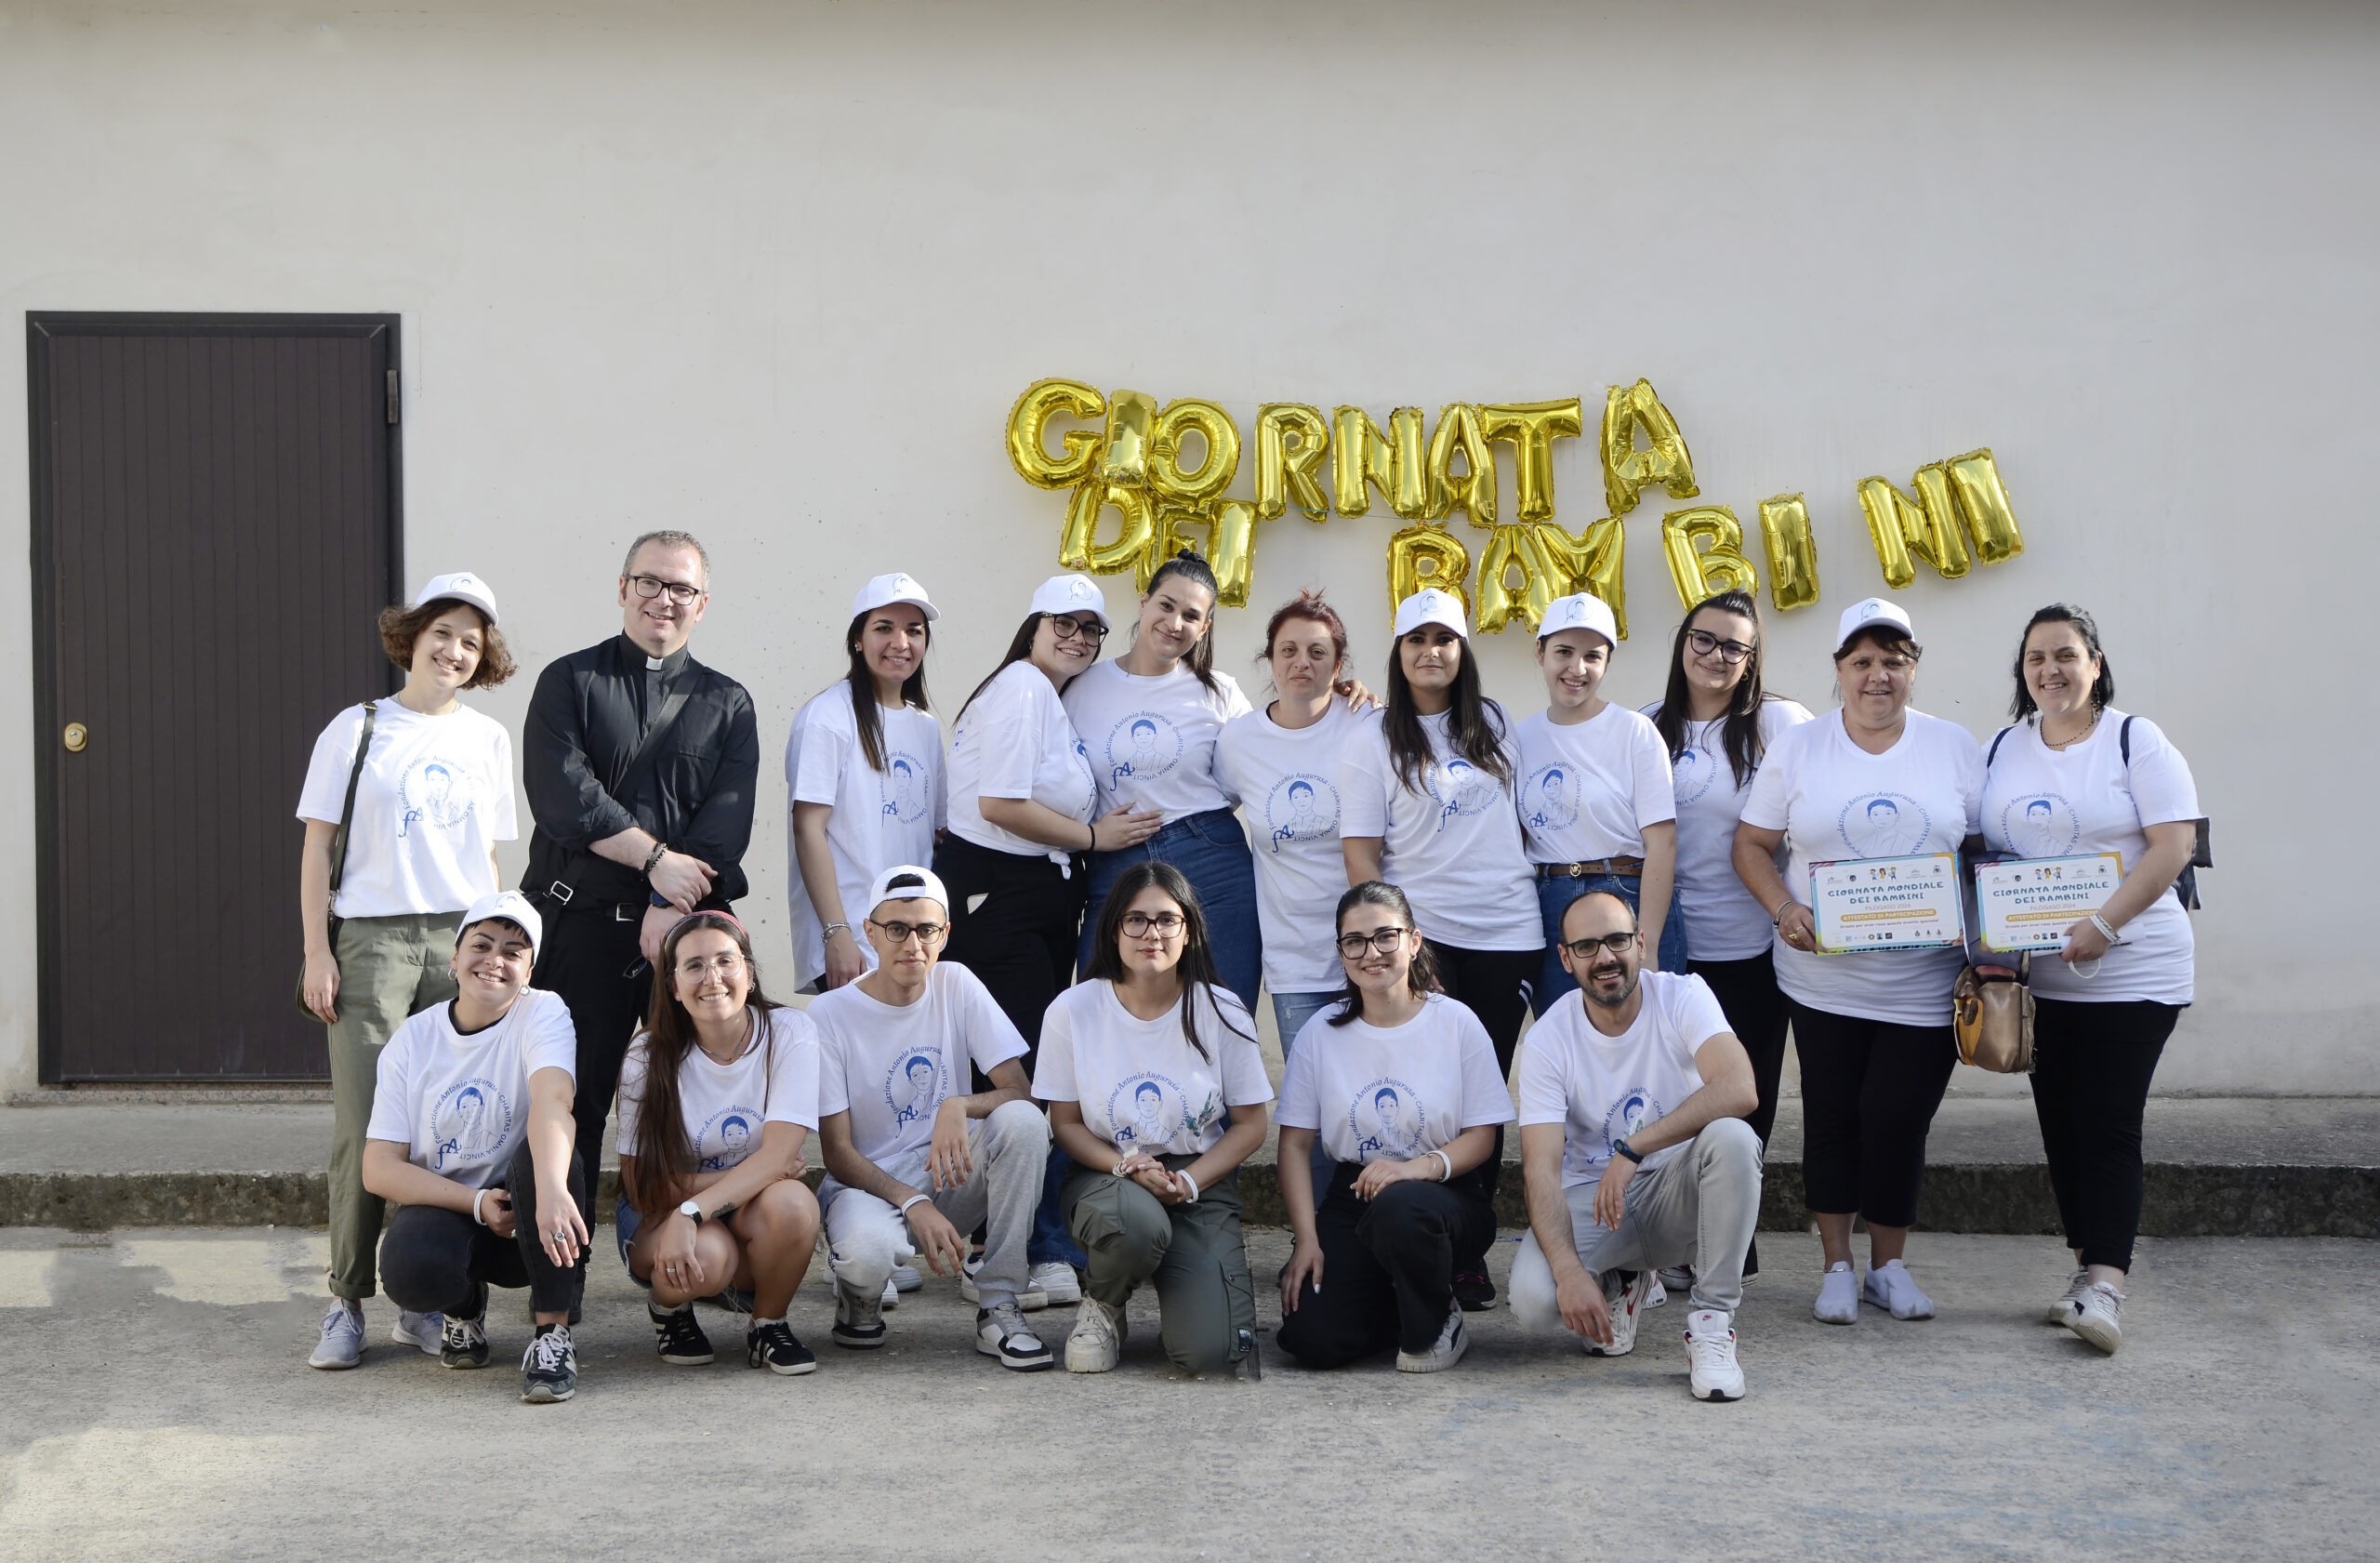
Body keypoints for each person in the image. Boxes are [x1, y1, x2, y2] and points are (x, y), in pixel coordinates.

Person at [1734, 597, 1983, 1325]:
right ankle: (1838, 1264)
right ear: (1839, 670)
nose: (1878, 676)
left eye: (1893, 661)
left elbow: (1982, 851)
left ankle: (1890, 1264)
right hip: (1821, 979)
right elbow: (1751, 845)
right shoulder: (1800, 746)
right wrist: (1786, 908)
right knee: (1834, 1116)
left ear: (1914, 669)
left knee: (1899, 1117)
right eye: (1862, 662)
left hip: (1925, 980)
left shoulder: (1953, 746)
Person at [296, 571, 519, 1370]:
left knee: (452, 1128)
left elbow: (489, 857)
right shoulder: (357, 728)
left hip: (463, 941)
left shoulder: (487, 739)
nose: (455, 650)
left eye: (472, 639)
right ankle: (346, 1300)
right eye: (444, 631)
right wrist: (320, 952)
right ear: (411, 634)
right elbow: (318, 846)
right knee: (366, 1126)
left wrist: (496, 949)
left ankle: (430, 1303)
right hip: (372, 942)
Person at [520, 530, 760, 1210]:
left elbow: (725, 827)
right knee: (573, 1102)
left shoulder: (730, 703)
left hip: (684, 936)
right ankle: (556, 1301)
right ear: (622, 588)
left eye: (681, 587)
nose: (664, 599)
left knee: (698, 1100)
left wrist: (669, 905)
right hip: (582, 927)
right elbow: (567, 798)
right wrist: (656, 863)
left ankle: (687, 1273)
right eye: (649, 582)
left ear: (702, 603)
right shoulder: (570, 681)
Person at [1982, 604, 2199, 1355]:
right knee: (2062, 1127)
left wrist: (2102, 926)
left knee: (2107, 1123)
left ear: (2096, 663)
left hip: (2135, 968)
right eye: (2036, 657)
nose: (2050, 669)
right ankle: (2083, 1272)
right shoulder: (2003, 747)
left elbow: (2173, 846)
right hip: (2047, 981)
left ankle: (2106, 1285)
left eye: (2066, 655)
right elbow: (1981, 848)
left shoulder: (2136, 740)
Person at [938, 573, 1160, 1306]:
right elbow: (1000, 804)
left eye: (1091, 629)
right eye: (1063, 623)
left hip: (1028, 900)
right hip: (1002, 898)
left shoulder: (1043, 698)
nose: (1077, 637)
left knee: (1019, 1074)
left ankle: (997, 1241)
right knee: (1017, 1080)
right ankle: (1015, 1252)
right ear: (1032, 626)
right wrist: (1097, 835)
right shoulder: (1024, 688)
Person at [1340, 587, 1539, 1310]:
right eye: (1416, 639)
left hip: (1508, 933)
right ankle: (1417, 1233)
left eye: (1445, 639)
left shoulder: (1491, 721)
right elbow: (1361, 852)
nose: (1431, 651)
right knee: (1431, 1090)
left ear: (1463, 651)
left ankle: (1466, 1251)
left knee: (1477, 1094)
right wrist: (1390, 940)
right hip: (1426, 937)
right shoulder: (1371, 737)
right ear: (1398, 652)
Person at [1509, 892, 1762, 1401]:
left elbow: (1739, 1088)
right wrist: (1568, 1273)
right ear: (1565, 958)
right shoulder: (1548, 1040)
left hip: (1678, 1192)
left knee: (1733, 1137)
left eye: (1617, 940)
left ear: (1641, 944)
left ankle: (1712, 1325)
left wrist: (1633, 1150)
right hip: (1597, 1203)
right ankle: (1622, 1282)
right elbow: (1539, 1168)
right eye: (1586, 946)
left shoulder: (1682, 995)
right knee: (1536, 1303)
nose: (1605, 957)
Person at [810, 867, 1058, 1371]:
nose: (912, 944)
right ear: (870, 932)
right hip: (870, 1186)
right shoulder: (829, 1014)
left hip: (951, 1169)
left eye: (927, 929)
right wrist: (913, 1201)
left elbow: (1022, 1094)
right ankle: (858, 1294)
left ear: (945, 934)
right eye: (897, 928)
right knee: (866, 1255)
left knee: (1025, 1126)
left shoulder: (957, 983)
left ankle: (999, 1303)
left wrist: (959, 1105)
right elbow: (836, 1152)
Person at [1035, 863, 1271, 1377]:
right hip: (1107, 1172)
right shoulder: (1073, 1010)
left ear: (1189, 931)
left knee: (1210, 1354)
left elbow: (1252, 1125)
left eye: (1167, 920)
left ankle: (1183, 1270)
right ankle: (1103, 1304)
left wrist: (1187, 1180)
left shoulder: (1223, 1009)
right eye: (1135, 920)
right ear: (1113, 929)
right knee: (1137, 1227)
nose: (1151, 934)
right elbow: (1067, 1124)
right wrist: (1126, 1166)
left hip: (1197, 1177)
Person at [1274, 882, 1515, 1373]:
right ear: (1341, 952)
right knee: (1312, 1341)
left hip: (1445, 1195)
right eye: (1355, 941)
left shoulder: (1456, 1023)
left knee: (1401, 1206)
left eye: (1386, 936)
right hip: (1353, 1195)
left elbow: (1482, 1138)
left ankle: (1438, 1319)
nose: (1371, 953)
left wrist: (1414, 1171)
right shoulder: (1321, 1033)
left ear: (1414, 941)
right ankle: (1396, 1304)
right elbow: (1295, 1147)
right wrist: (1307, 1240)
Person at [1643, 589, 1813, 1276]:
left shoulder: (1782, 723)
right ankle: (1678, 1236)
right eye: (1704, 640)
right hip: (1675, 948)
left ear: (1752, 659)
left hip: (1753, 947)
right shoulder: (1648, 727)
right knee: (1677, 1096)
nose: (1716, 656)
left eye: (1734, 646)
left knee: (1747, 1097)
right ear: (1684, 642)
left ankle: (1728, 1239)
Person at [363, 893, 588, 1404]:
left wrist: (551, 1190)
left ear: (529, 970)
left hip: (528, 1211)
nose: (495, 960)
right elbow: (378, 1167)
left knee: (553, 1158)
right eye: (481, 945)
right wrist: (476, 1204)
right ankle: (463, 1312)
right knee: (409, 1266)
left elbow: (554, 1100)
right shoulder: (413, 1040)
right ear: (455, 959)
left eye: (514, 951)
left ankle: (553, 1334)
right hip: (455, 1208)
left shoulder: (543, 1012)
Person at [617, 910, 825, 1375]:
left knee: (793, 1203)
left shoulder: (790, 1031)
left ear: (748, 974)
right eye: (693, 966)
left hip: (716, 1208)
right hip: (659, 1212)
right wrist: (750, 1178)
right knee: (710, 1258)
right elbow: (642, 1184)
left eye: (725, 962)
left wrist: (696, 1208)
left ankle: (768, 1325)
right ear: (673, 986)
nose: (712, 978)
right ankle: (669, 1310)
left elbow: (782, 1157)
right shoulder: (646, 1056)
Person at [1062, 550, 1262, 1009]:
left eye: (1191, 615)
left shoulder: (1220, 691)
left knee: (1224, 1006)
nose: (1175, 623)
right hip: (1115, 858)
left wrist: (1337, 697)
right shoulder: (1084, 685)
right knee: (1101, 1001)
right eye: (1166, 606)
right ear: (1144, 601)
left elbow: (1265, 755)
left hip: (1210, 854)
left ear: (1205, 626)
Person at [1214, 590, 1363, 1199]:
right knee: (1314, 1103)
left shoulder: (1368, 724)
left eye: (1318, 651)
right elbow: (1211, 819)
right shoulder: (1238, 741)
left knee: (1369, 1093)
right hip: (1294, 954)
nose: (1302, 662)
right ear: (1270, 660)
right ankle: (1323, 1234)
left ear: (1339, 662)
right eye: (1289, 650)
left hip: (1370, 948)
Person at [1515, 590, 1683, 1005]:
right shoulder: (1518, 738)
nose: (1577, 668)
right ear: (1540, 653)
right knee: (1567, 1039)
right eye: (1564, 652)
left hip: (1626, 894)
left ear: (1608, 661)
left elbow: (1662, 842)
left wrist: (1649, 942)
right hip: (1551, 905)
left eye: (1592, 655)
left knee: (1647, 1042)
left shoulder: (1635, 732)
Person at [785, 572, 946, 994]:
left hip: (913, 944)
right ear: (858, 639)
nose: (901, 642)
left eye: (914, 630)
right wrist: (836, 933)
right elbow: (808, 829)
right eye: (884, 628)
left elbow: (935, 835)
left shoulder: (925, 728)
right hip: (853, 941)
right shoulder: (828, 716)